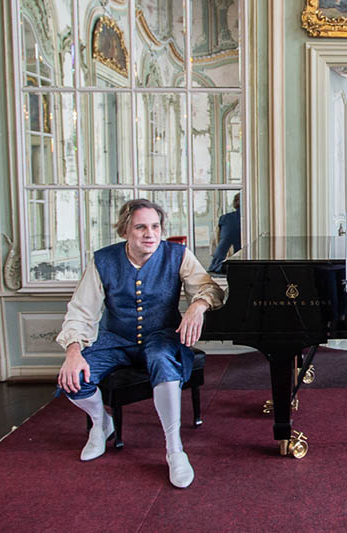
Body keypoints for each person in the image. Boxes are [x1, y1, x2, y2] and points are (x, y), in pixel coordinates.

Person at [56, 199, 224, 489]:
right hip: (114, 339)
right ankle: (101, 423)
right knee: (73, 379)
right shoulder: (103, 260)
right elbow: (81, 311)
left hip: (161, 336)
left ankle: (175, 450)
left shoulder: (177, 255)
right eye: (141, 227)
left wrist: (198, 305)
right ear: (125, 231)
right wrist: (73, 350)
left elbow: (208, 286)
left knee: (163, 361)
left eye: (155, 226)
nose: (150, 234)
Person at [208, 193, 241, 274]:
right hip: (240, 265)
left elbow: (215, 242)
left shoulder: (225, 218)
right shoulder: (252, 219)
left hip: (220, 264)